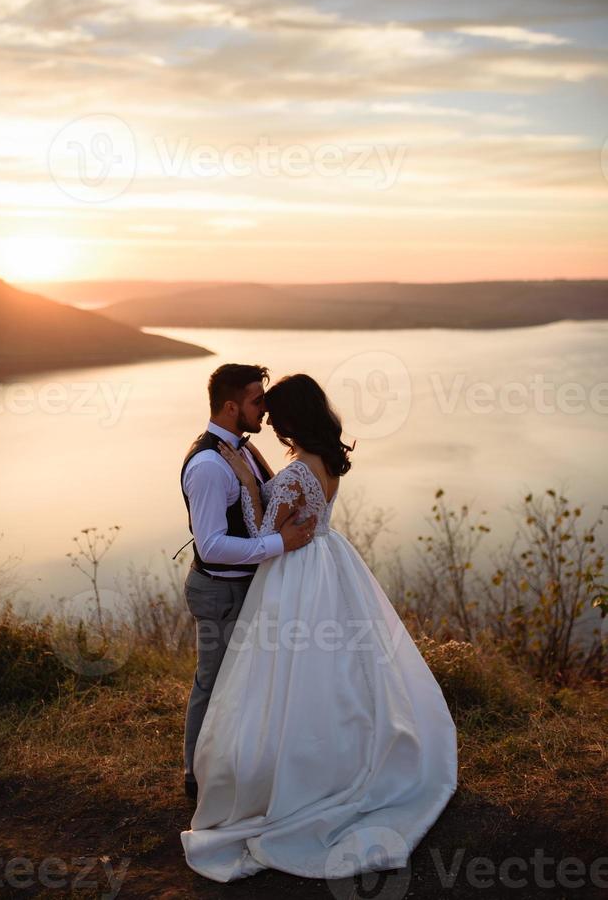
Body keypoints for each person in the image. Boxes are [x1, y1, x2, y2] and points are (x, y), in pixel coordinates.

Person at [180, 373, 458, 882]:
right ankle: (341, 754)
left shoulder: (288, 475)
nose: (265, 415)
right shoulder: (327, 460)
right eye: (256, 402)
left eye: (271, 408)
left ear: (288, 421)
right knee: (338, 670)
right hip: (330, 563)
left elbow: (268, 534)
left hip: (294, 575)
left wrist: (251, 491)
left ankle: (269, 775)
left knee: (279, 673)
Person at [180, 364, 316, 799]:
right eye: (259, 401)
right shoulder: (208, 465)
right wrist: (279, 543)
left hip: (247, 586)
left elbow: (265, 501)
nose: (266, 407)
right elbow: (212, 547)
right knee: (213, 682)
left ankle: (235, 766)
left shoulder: (245, 451)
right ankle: (195, 777)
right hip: (220, 589)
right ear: (230, 405)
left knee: (244, 684)